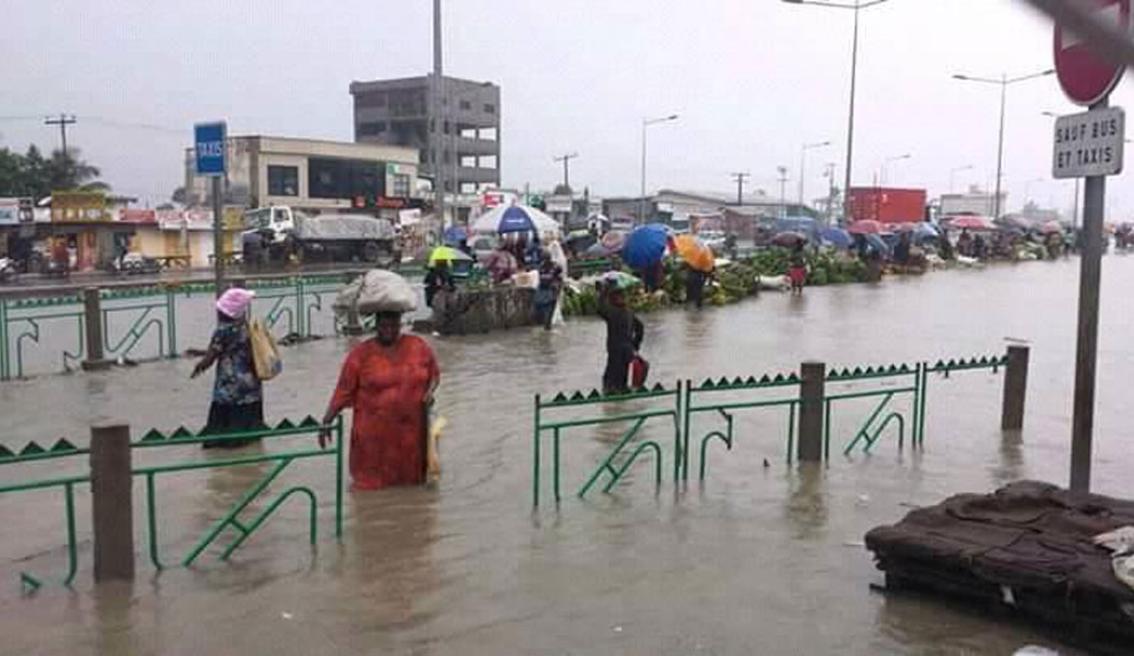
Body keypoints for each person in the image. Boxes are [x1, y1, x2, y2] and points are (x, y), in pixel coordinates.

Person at [319, 311, 440, 490]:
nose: (389, 331)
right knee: (370, 489)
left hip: (410, 436)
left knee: (412, 489)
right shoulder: (361, 354)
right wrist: (327, 421)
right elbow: (343, 391)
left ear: (400, 325)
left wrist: (429, 393)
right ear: (376, 327)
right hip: (373, 439)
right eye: (384, 326)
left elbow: (434, 375)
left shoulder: (418, 346)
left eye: (394, 326)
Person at [191, 288, 263, 449]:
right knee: (248, 432)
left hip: (229, 384)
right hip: (250, 382)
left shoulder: (222, 331)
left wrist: (199, 366)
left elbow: (212, 355)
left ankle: (222, 446)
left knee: (223, 424)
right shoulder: (248, 328)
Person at [597, 281, 644, 394]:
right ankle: (621, 391)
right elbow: (640, 328)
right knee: (622, 374)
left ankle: (610, 392)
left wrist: (603, 292)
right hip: (628, 348)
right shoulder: (629, 312)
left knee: (611, 375)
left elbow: (600, 309)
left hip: (615, 348)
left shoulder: (613, 312)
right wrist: (635, 344)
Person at [534, 254, 563, 329]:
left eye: (546, 259)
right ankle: (546, 326)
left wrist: (558, 287)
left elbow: (560, 277)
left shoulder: (555, 267)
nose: (545, 261)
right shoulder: (541, 267)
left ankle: (547, 326)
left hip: (552, 291)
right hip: (544, 291)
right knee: (543, 311)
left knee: (549, 312)